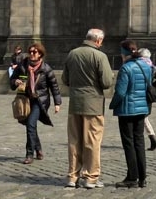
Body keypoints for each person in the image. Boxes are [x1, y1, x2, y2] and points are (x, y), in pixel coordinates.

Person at [61, 28, 114, 190]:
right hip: (93, 105)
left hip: (75, 103)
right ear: (98, 41)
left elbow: (65, 79)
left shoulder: (72, 54)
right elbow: (106, 82)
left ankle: (72, 176)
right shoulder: (100, 56)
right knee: (92, 141)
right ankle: (91, 177)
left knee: (74, 140)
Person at [109, 40, 152, 189]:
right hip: (141, 109)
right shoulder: (146, 66)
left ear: (124, 53)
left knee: (129, 144)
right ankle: (142, 177)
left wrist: (112, 104)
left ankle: (132, 177)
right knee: (139, 143)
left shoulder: (125, 68)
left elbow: (120, 92)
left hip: (127, 110)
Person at [9, 42, 61, 164]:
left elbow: (54, 86)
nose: (32, 54)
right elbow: (11, 79)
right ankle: (38, 148)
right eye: (30, 51)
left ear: (40, 54)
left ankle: (29, 154)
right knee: (30, 125)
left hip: (40, 100)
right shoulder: (23, 65)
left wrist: (57, 103)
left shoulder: (46, 69)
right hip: (26, 100)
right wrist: (15, 81)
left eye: (35, 52)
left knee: (31, 124)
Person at [136, 49, 156, 151]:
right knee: (144, 117)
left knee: (141, 118)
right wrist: (153, 86)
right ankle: (152, 138)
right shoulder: (152, 67)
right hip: (148, 96)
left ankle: (146, 139)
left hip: (140, 94)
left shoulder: (138, 66)